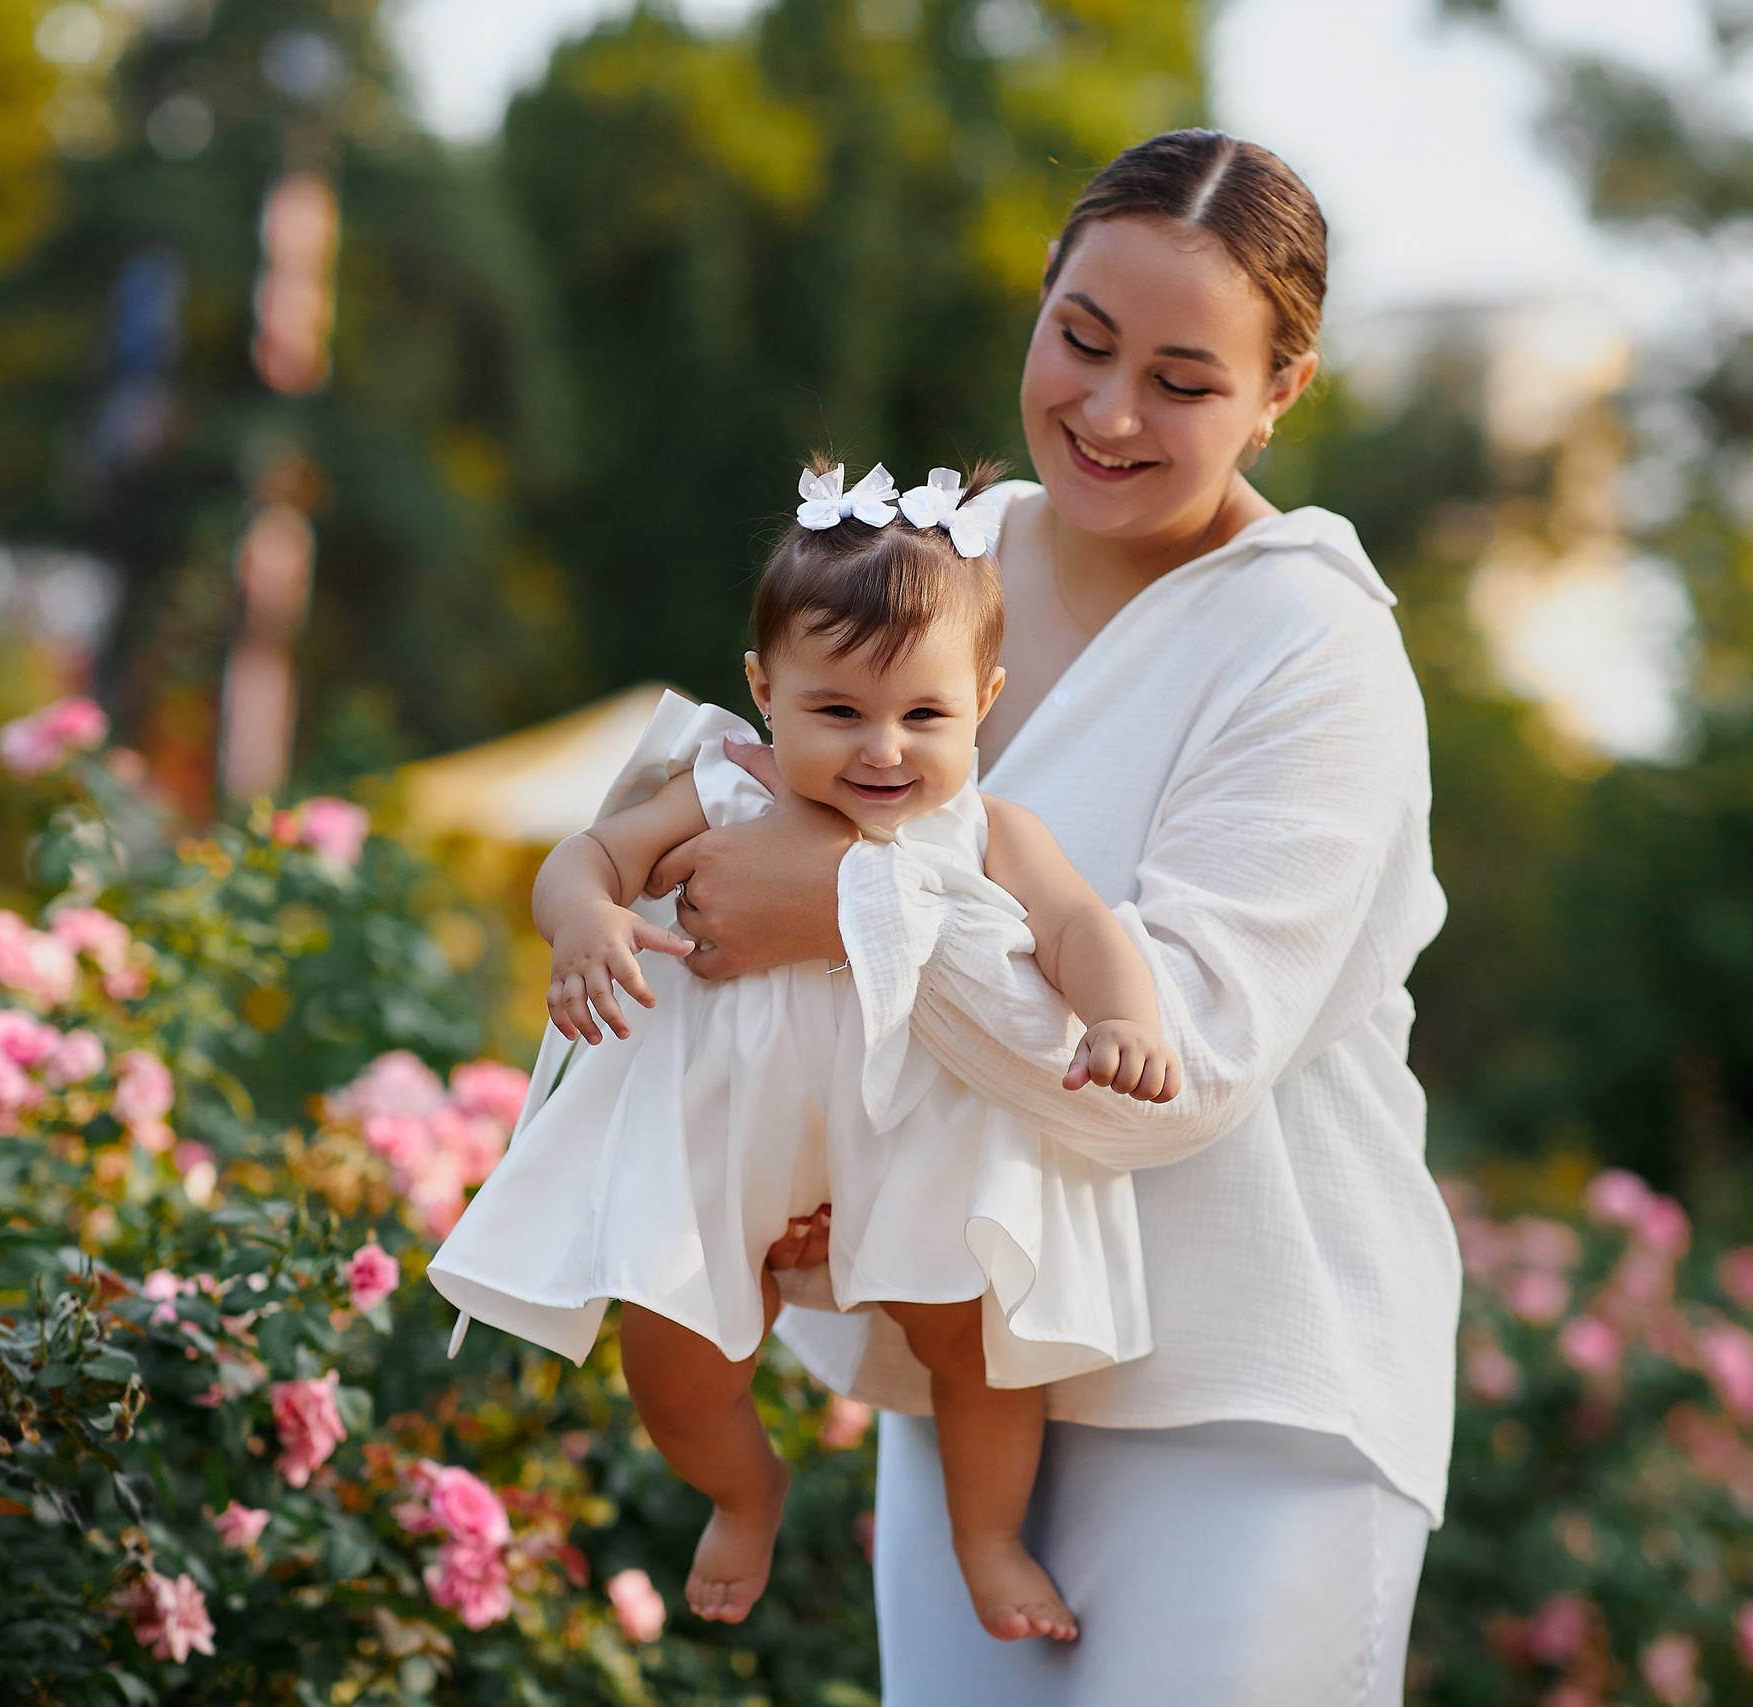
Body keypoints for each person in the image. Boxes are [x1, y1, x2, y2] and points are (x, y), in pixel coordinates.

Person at [648, 130, 1461, 1704]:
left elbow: (1177, 1067)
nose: (1109, 410)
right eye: (1082, 339)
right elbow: (772, 926)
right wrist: (798, 1178)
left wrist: (849, 905)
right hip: (975, 1368)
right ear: (1040, 297)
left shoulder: (1314, 644)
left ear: (1282, 390)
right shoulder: (928, 569)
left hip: (1243, 1403)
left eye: (1183, 379)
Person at [428, 457, 1178, 1642]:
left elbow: (1081, 928)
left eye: (924, 716)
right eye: (838, 712)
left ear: (984, 700)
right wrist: (583, 920)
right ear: (763, 689)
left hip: (912, 1144)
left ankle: (986, 1537)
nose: (883, 750)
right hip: (727, 1146)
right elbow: (589, 857)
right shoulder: (725, 791)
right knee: (670, 1360)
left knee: (975, 1345)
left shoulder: (986, 830)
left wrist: (1124, 1018)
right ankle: (745, 1489)